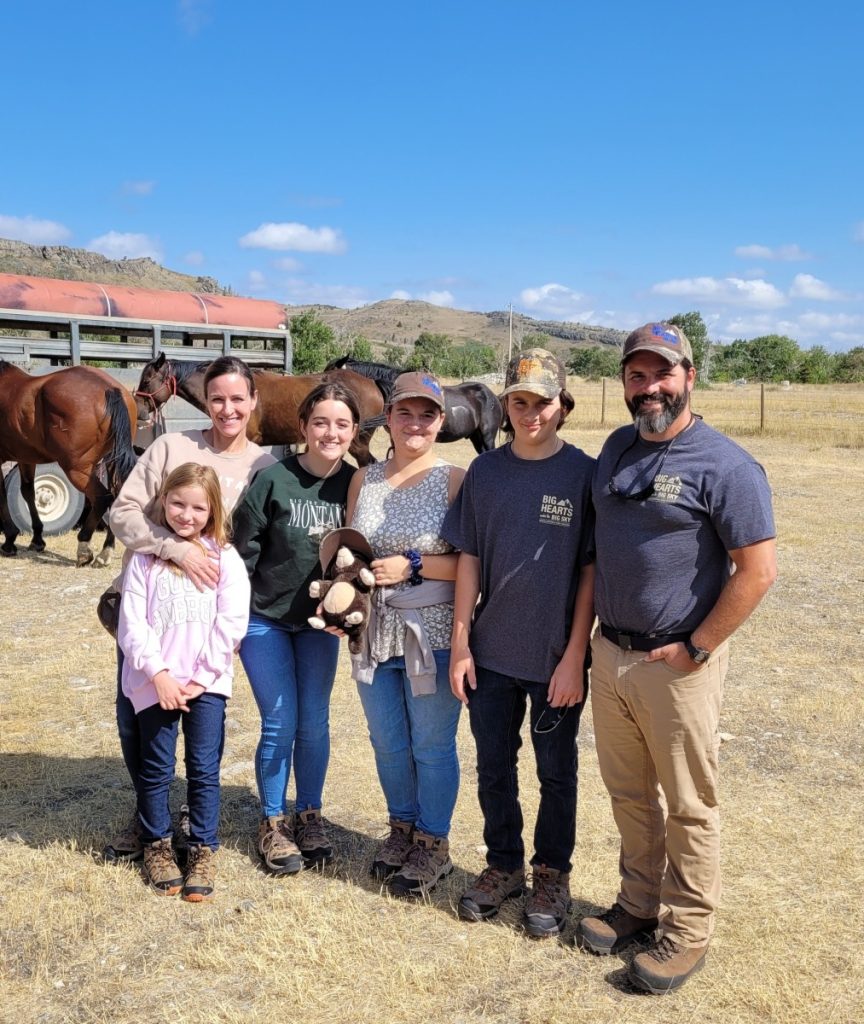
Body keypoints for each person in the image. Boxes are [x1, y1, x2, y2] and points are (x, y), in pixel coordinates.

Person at [576, 323, 777, 993]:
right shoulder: (616, 448)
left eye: (662, 373)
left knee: (689, 804)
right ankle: (638, 904)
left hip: (678, 665)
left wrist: (697, 648)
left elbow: (758, 571)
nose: (649, 388)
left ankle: (687, 932)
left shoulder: (727, 466)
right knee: (630, 793)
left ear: (689, 376)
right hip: (612, 653)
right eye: (637, 376)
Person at [443, 348, 595, 937]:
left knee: (556, 773)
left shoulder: (584, 474)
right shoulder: (486, 472)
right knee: (493, 767)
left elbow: (590, 570)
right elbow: (469, 560)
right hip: (491, 654)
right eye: (520, 402)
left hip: (554, 659)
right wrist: (461, 645)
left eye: (543, 402)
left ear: (564, 406)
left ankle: (552, 874)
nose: (532, 413)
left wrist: (575, 655)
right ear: (505, 406)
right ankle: (503, 865)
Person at [104, 356, 276, 863]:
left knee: (204, 737)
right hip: (152, 607)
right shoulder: (172, 447)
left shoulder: (265, 467)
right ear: (205, 400)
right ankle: (148, 818)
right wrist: (173, 548)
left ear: (253, 401)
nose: (228, 409)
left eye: (238, 398)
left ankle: (192, 824)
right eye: (217, 398)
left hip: (209, 618)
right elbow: (123, 512)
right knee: (135, 719)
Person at [231, 382, 360, 875]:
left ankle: (309, 814)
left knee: (314, 721)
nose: (330, 432)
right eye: (320, 422)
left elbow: (363, 553)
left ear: (354, 430)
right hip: (265, 619)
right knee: (280, 720)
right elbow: (241, 554)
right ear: (303, 426)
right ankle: (272, 821)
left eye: (342, 424)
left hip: (319, 627)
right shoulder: (274, 479)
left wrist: (351, 613)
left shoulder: (355, 484)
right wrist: (231, 622)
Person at [347, 371, 464, 898]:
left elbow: (470, 564)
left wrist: (412, 563)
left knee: (432, 745)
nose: (415, 424)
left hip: (430, 630)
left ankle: (433, 842)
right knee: (388, 742)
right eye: (405, 413)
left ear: (441, 422)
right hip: (373, 630)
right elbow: (351, 551)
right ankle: (401, 829)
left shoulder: (456, 480)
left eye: (427, 414)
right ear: (388, 418)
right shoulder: (364, 480)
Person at [117, 463, 251, 901]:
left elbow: (232, 622)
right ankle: (156, 845)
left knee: (203, 769)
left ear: (213, 510)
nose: (186, 515)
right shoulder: (145, 559)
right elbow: (132, 624)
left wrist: (203, 676)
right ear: (163, 501)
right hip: (154, 682)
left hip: (205, 684)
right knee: (155, 768)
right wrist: (157, 674)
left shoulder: (224, 558)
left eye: (198, 508)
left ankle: (202, 849)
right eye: (178, 504)